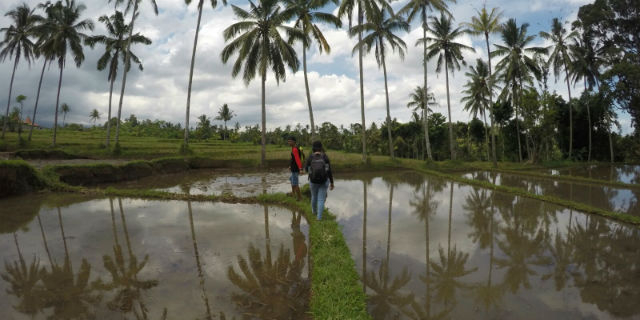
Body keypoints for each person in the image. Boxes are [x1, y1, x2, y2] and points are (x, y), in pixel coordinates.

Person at [304, 141, 334, 220]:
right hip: (324, 181)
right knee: (321, 199)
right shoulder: (325, 157)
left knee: (314, 196)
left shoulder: (310, 157)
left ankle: (314, 212)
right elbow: (328, 171)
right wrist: (332, 182)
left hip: (313, 181)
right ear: (321, 148)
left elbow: (306, 169)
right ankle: (319, 218)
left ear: (313, 148)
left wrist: (311, 174)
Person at [287, 136, 303, 201]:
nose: (289, 142)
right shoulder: (293, 148)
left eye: (290, 141)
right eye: (288, 141)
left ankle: (300, 198)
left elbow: (297, 159)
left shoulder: (295, 149)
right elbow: (293, 159)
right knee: (291, 179)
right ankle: (293, 193)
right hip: (293, 168)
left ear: (294, 142)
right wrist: (290, 166)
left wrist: (300, 169)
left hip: (295, 169)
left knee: (295, 184)